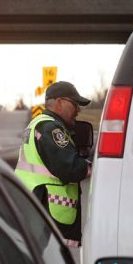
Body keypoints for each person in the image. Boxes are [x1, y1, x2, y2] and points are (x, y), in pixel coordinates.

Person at [14, 81, 92, 247]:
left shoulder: (38, 123)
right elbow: (70, 168)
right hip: (46, 212)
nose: (78, 110)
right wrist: (91, 166)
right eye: (75, 104)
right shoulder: (50, 128)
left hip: (34, 208)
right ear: (59, 102)